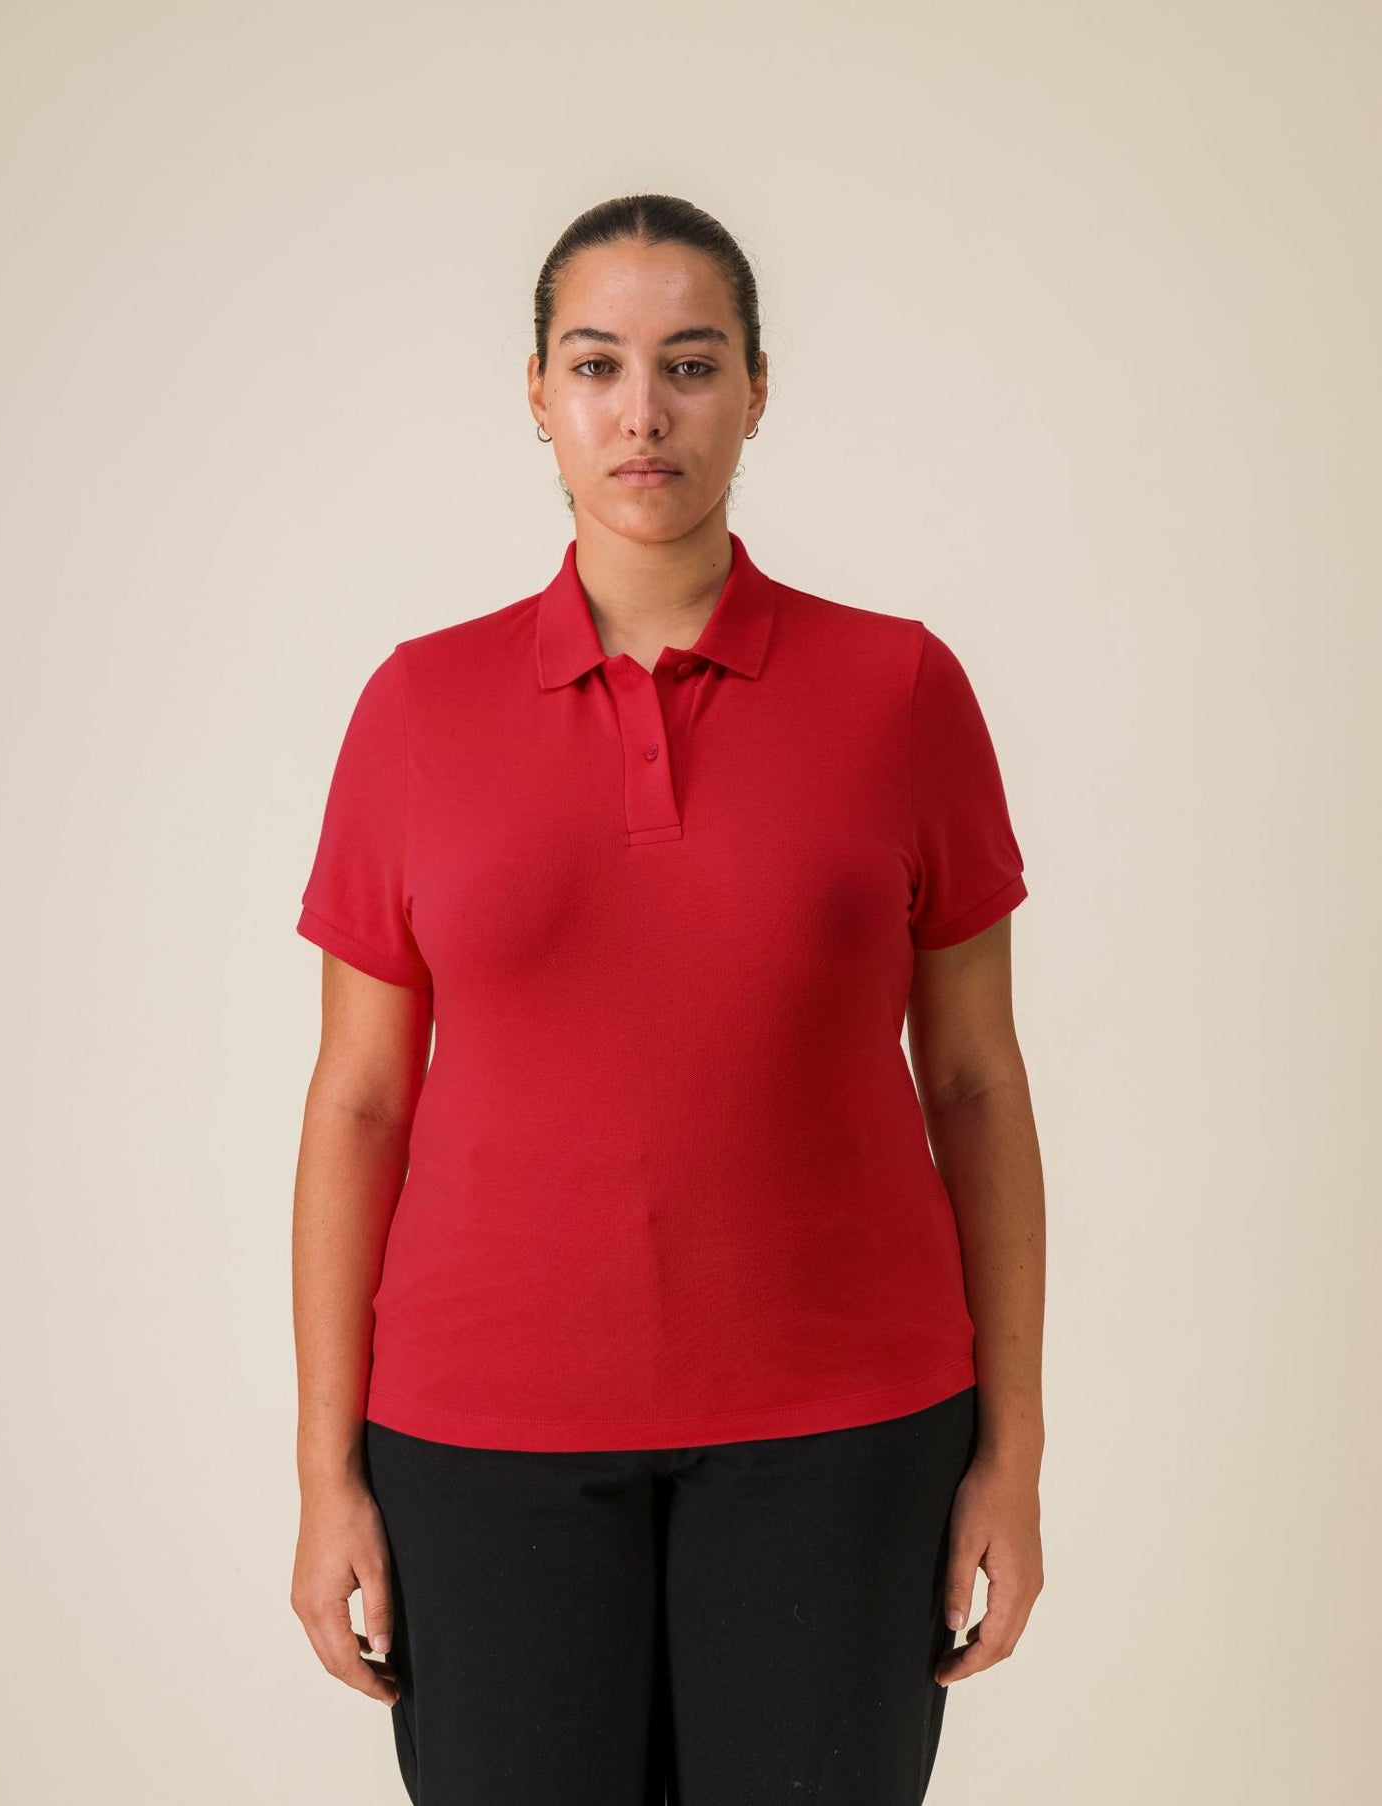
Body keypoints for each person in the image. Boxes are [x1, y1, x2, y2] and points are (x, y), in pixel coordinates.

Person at [289, 193, 1045, 1805]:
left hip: (848, 1431)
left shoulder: (900, 689)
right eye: (597, 364)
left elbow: (976, 1082)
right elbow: (357, 1099)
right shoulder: (418, 705)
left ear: (756, 390)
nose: (643, 411)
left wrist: (1013, 1450)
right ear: (538, 394)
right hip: (480, 1439)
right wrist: (323, 1471)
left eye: (691, 364)